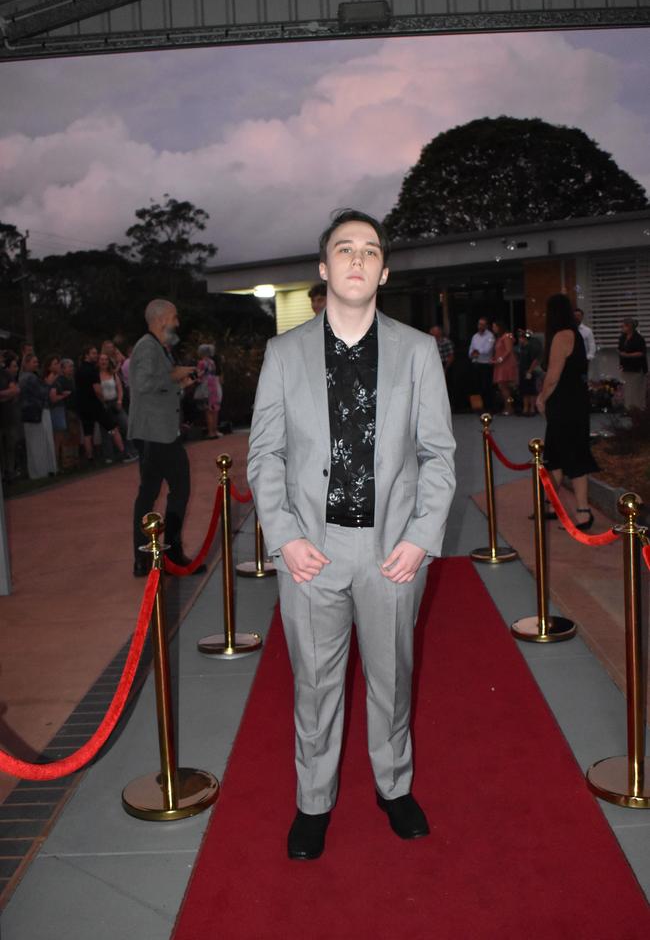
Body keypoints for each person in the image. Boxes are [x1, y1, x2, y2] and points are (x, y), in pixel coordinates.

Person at [248, 209, 456, 860]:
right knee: (315, 683)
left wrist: (421, 540)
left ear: (385, 271)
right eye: (345, 249)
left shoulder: (419, 352)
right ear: (324, 268)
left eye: (370, 251)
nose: (358, 260)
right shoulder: (283, 355)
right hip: (312, 548)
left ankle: (394, 788)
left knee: (393, 677)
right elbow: (265, 455)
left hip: (392, 550)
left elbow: (439, 455)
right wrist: (283, 537)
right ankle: (314, 801)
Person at [128, 299, 207, 577]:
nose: (177, 323)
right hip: (157, 433)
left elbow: (154, 386)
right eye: (174, 317)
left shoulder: (154, 347)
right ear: (161, 319)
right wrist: (175, 375)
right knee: (179, 489)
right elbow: (143, 383)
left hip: (155, 432)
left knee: (148, 494)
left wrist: (178, 382)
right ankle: (171, 554)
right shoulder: (148, 347)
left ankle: (144, 558)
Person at [536, 294, 599, 530]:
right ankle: (551, 505)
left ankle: (583, 512)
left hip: (565, 404)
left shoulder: (561, 336)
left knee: (573, 455)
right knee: (556, 456)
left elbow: (553, 376)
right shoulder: (576, 335)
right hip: (574, 402)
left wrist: (541, 398)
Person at [75, 345, 126, 465]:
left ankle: (90, 458)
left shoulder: (79, 370)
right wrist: (103, 401)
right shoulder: (92, 370)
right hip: (95, 404)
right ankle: (122, 451)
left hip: (83, 405)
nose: (96, 355)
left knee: (88, 433)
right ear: (87, 355)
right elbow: (97, 389)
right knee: (112, 428)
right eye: (93, 353)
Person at [18, 353, 57, 480]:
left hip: (33, 413)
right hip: (35, 412)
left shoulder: (29, 376)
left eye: (37, 361)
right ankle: (40, 472)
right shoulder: (29, 378)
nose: (37, 364)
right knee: (38, 443)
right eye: (34, 362)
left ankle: (43, 470)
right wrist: (49, 383)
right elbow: (42, 393)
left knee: (39, 443)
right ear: (26, 363)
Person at [97, 352, 138, 462]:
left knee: (126, 425)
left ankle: (132, 451)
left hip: (115, 402)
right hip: (104, 405)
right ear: (98, 362)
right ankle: (110, 455)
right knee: (108, 431)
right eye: (101, 360)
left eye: (105, 359)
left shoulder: (114, 374)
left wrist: (119, 401)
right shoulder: (96, 376)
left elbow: (119, 388)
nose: (104, 362)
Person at [42, 355, 71, 470]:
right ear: (49, 367)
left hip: (58, 409)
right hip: (56, 410)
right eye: (55, 364)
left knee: (59, 438)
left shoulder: (56, 379)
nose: (58, 365)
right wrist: (63, 395)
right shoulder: (51, 379)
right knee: (57, 439)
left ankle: (58, 463)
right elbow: (53, 398)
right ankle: (56, 465)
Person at [0, 351, 21, 482]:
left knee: (10, 446)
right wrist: (8, 394)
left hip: (9, 416)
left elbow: (16, 390)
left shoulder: (5, 373)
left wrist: (3, 395)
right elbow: (12, 391)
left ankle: (10, 472)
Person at [618, 318, 647, 412]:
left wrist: (627, 355)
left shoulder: (638, 338)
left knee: (636, 390)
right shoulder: (622, 337)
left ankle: (638, 410)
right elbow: (620, 350)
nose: (622, 327)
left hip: (636, 368)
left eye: (624, 325)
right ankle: (628, 409)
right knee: (627, 390)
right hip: (626, 367)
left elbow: (641, 353)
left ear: (630, 327)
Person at [195, 343, 223, 439]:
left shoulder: (201, 363)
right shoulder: (212, 362)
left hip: (206, 386)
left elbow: (199, 375)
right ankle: (215, 431)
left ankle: (211, 432)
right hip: (214, 385)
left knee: (208, 410)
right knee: (215, 409)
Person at [468, 316, 495, 411]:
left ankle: (489, 408)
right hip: (476, 363)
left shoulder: (490, 336)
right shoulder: (475, 336)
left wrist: (477, 352)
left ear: (486, 326)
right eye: (479, 324)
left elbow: (487, 350)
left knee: (486, 386)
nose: (480, 326)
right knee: (477, 386)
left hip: (486, 364)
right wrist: (473, 353)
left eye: (483, 324)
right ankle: (479, 407)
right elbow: (470, 350)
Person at [491, 320, 518, 415]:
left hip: (506, 364)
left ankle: (509, 408)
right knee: (502, 387)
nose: (493, 329)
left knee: (504, 386)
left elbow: (509, 350)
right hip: (500, 364)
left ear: (499, 327)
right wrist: (494, 359)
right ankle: (507, 407)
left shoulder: (507, 336)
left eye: (494, 326)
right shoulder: (499, 338)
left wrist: (500, 359)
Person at [515, 330, 542, 417]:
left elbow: (535, 360)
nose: (519, 340)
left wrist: (530, 370)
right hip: (522, 371)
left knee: (531, 390)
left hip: (530, 371)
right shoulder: (521, 348)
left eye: (521, 338)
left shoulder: (531, 347)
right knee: (524, 390)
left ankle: (532, 408)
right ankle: (525, 408)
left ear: (524, 338)